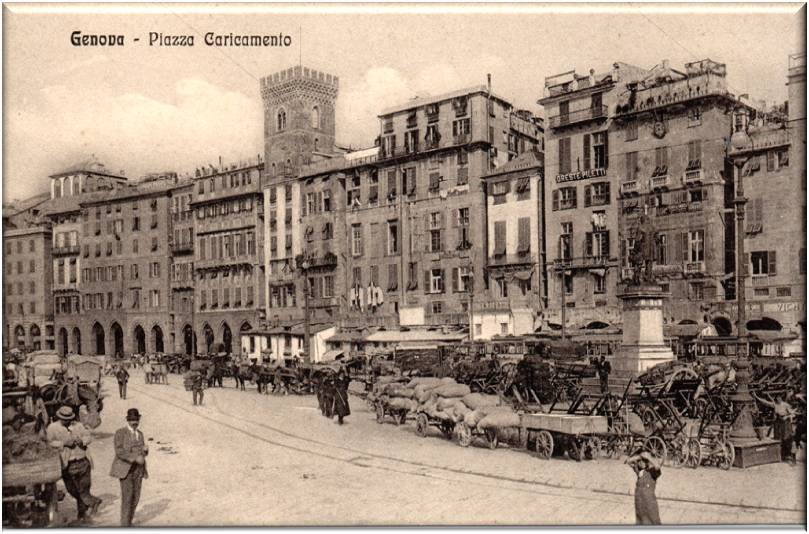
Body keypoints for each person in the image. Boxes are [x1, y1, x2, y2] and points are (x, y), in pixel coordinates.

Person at [46, 405, 102, 522]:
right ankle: (94, 501)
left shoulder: (78, 426)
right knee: (72, 490)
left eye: (69, 419)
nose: (67, 421)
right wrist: (63, 443)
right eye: (65, 419)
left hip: (83, 462)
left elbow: (88, 437)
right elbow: (48, 443)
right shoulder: (52, 428)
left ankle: (82, 515)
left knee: (84, 489)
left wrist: (82, 441)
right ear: (59, 418)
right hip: (67, 464)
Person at [110, 408, 148, 527]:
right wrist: (134, 458)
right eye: (132, 420)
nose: (134, 422)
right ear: (127, 420)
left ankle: (129, 523)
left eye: (136, 420)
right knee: (127, 498)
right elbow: (119, 451)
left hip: (139, 470)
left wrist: (145, 451)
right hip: (125, 470)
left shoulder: (140, 434)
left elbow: (142, 452)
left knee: (136, 497)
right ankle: (125, 525)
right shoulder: (120, 432)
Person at [755, 392, 797, 464]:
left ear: (781, 398)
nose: (778, 399)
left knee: (787, 438)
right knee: (778, 438)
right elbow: (766, 402)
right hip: (778, 423)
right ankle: (781, 455)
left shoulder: (785, 405)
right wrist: (756, 397)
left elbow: (793, 414)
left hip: (785, 423)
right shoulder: (775, 405)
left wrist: (787, 416)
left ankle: (790, 456)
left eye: (779, 397)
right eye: (777, 398)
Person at [627, 450, 662, 525]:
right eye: (639, 462)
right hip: (639, 502)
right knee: (640, 521)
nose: (639, 463)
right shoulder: (639, 471)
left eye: (642, 461)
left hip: (649, 503)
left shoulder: (653, 472)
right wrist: (640, 456)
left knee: (653, 520)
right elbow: (628, 461)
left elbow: (657, 467)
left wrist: (649, 457)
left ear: (646, 463)